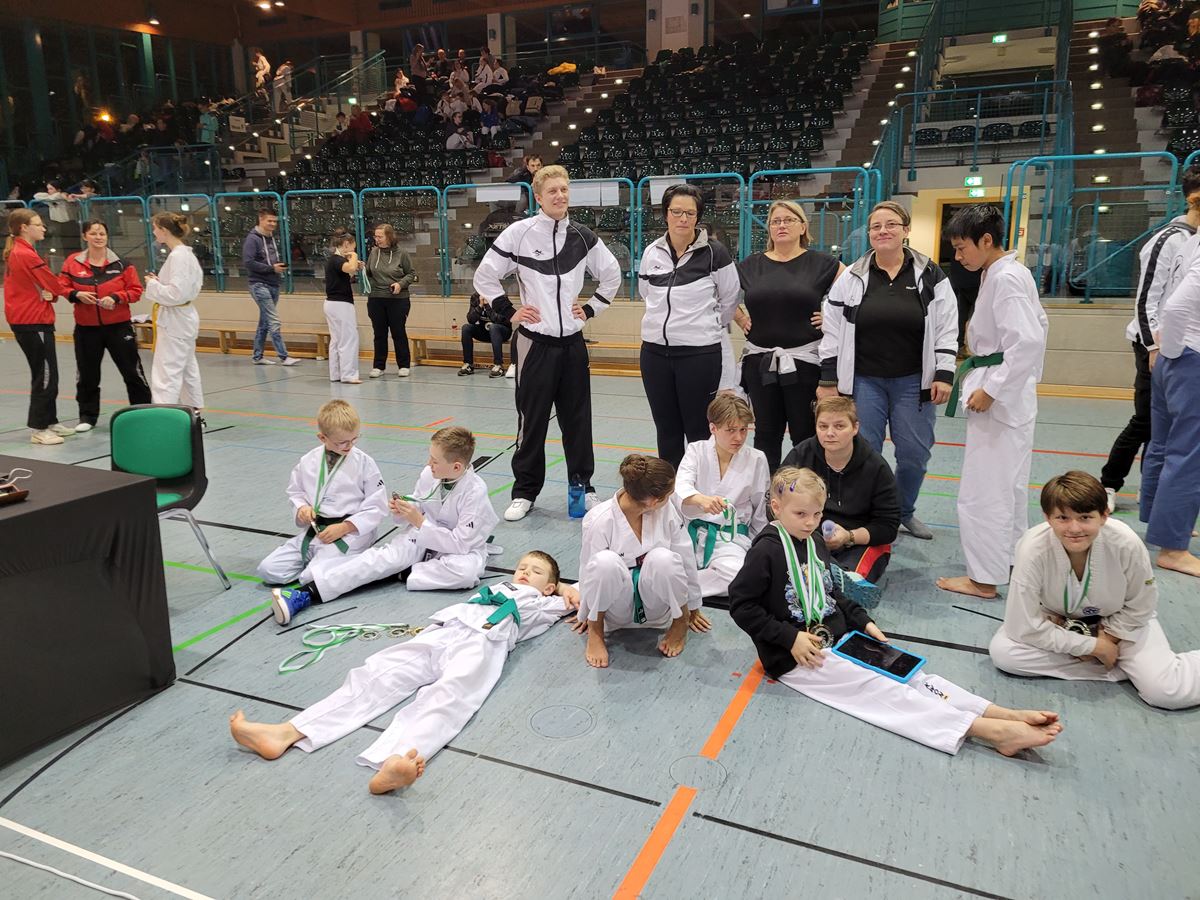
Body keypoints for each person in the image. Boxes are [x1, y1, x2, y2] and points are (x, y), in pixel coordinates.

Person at [729, 467, 1063, 756]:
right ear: (776, 508)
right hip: (796, 655)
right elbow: (742, 606)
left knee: (910, 674)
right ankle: (990, 732)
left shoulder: (813, 540)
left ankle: (995, 712)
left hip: (840, 635)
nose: (810, 522)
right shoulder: (766, 551)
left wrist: (863, 621)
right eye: (801, 514)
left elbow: (831, 591)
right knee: (881, 690)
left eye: (817, 514)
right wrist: (789, 638)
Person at [230, 551, 579, 794]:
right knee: (376, 674)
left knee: (448, 700)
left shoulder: (544, 603)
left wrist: (561, 588)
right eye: (522, 566)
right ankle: (288, 732)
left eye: (536, 571)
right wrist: (545, 580)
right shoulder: (501, 586)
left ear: (548, 586)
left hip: (484, 644)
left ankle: (396, 762)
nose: (525, 572)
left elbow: (582, 592)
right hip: (444, 630)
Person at [472, 164, 622, 522]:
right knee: (532, 421)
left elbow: (612, 274)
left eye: (564, 189)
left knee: (578, 420)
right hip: (534, 345)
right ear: (538, 197)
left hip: (572, 345)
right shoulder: (519, 233)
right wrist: (509, 311)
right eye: (552, 191)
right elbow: (485, 275)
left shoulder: (583, 236)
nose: (560, 196)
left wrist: (590, 308)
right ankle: (525, 492)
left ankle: (582, 486)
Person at [989, 471, 1200, 709]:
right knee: (1004, 654)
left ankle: (1136, 668)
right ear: (1047, 517)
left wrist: (1108, 638)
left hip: (1123, 622)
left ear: (1104, 515)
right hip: (1059, 619)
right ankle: (1130, 668)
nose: (1074, 528)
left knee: (1167, 692)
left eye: (1085, 517)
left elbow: (1142, 603)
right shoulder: (1032, 549)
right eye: (1062, 518)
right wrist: (1091, 647)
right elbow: (1022, 625)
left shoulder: (1125, 543)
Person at [818, 200, 958, 541]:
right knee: (865, 452)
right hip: (864, 381)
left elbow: (947, 325)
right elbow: (832, 330)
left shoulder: (930, 274)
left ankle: (903, 511)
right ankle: (867, 516)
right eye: (876, 226)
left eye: (891, 224)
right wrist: (829, 377)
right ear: (869, 234)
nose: (883, 231)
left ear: (906, 230)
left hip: (914, 383)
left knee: (914, 454)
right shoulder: (852, 277)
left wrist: (944, 372)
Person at [271, 427, 498, 624]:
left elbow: (460, 544)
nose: (429, 464)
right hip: (421, 534)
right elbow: (420, 502)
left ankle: (401, 572)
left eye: (435, 461)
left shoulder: (475, 492)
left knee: (467, 573)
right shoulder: (429, 475)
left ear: (456, 467)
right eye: (430, 457)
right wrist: (404, 509)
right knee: (382, 559)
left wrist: (419, 521)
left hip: (458, 547)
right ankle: (305, 593)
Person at [937, 206, 1048, 599]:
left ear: (986, 240)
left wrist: (994, 388)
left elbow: (1028, 340)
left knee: (984, 491)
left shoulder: (1006, 278)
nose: (958, 256)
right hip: (1010, 394)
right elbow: (1040, 327)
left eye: (962, 247)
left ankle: (983, 579)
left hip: (1000, 394)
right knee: (1009, 487)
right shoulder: (1003, 273)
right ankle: (1012, 561)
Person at [1102, 172, 1200, 512]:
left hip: (1185, 348)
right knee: (1145, 421)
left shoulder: (1196, 242)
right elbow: (1147, 300)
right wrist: (1153, 347)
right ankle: (1108, 484)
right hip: (1155, 344)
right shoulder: (1167, 240)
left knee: (1171, 428)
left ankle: (1154, 493)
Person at [734, 200, 844, 471]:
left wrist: (831, 317)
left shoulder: (822, 263)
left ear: (803, 227)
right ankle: (766, 491)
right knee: (765, 433)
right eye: (775, 221)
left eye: (789, 220)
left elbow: (855, 292)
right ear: (769, 229)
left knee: (804, 433)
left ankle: (806, 490)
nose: (781, 225)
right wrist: (740, 318)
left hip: (805, 364)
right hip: (761, 364)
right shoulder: (751, 265)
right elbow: (721, 293)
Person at [637, 184, 741, 469]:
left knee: (698, 429)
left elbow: (730, 299)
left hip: (699, 356)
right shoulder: (651, 252)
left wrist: (700, 327)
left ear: (698, 217)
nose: (683, 218)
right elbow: (647, 294)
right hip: (654, 355)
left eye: (690, 213)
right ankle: (671, 486)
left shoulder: (715, 253)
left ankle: (701, 485)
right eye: (676, 212)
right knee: (666, 428)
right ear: (665, 214)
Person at [575, 455, 710, 668]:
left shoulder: (666, 510)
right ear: (653, 501)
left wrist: (692, 607)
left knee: (663, 559)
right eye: (669, 495)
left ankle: (680, 622)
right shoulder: (599, 519)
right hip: (615, 610)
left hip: (656, 605)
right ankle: (596, 631)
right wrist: (585, 613)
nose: (671, 498)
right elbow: (587, 570)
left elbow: (685, 557)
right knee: (604, 563)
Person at [256, 400, 388, 607]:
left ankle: (340, 559)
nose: (349, 446)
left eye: (354, 439)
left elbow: (377, 506)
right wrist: (302, 508)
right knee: (268, 570)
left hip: (350, 532)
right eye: (342, 442)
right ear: (322, 438)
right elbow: (295, 491)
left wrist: (344, 527)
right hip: (316, 530)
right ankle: (323, 559)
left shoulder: (364, 463)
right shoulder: (308, 461)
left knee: (310, 578)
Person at [782, 396, 900, 593]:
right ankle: (818, 575)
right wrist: (807, 530)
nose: (830, 433)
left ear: (855, 428)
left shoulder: (876, 467)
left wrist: (848, 536)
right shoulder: (801, 455)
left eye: (839, 426)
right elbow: (777, 502)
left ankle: (833, 580)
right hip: (809, 534)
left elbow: (888, 526)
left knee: (846, 583)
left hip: (858, 540)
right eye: (823, 426)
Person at [1140, 201, 1200, 577]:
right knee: (1189, 455)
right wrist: (1175, 351)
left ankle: (1156, 517)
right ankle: (1173, 547)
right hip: (1188, 358)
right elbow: (1176, 307)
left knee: (1162, 444)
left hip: (1176, 356)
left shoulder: (1192, 241)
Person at [57, 219, 152, 431]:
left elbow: (136, 291)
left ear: (107, 237)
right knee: (87, 375)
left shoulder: (122, 264)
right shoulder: (72, 262)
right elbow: (61, 287)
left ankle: (143, 412)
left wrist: (116, 297)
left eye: (102, 233)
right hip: (86, 329)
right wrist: (76, 294)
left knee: (132, 372)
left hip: (119, 327)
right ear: (85, 236)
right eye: (93, 233)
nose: (98, 237)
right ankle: (87, 417)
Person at [676, 395, 770, 598]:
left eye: (743, 429)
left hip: (731, 538)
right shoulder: (696, 450)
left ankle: (680, 590)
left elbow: (760, 510)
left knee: (739, 577)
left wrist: (759, 547)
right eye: (731, 430)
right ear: (713, 428)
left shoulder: (757, 459)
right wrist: (701, 500)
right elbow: (681, 486)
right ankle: (677, 585)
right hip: (690, 534)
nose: (739, 437)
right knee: (659, 565)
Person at [2, 209, 74, 445]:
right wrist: (71, 291)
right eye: (38, 224)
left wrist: (50, 294)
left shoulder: (21, 251)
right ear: (24, 227)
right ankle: (39, 427)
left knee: (47, 372)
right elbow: (53, 283)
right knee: (45, 375)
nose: (43, 228)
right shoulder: (25, 254)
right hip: (32, 321)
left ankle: (50, 420)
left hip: (32, 319)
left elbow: (44, 288)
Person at [145, 212, 204, 410]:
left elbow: (175, 294)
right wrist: (159, 283)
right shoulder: (184, 255)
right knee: (187, 368)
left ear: (164, 230)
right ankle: (193, 412)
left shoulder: (179, 256)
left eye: (155, 228)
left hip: (175, 321)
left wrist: (153, 284)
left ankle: (164, 416)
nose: (154, 232)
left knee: (167, 372)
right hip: (182, 318)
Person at [242, 208, 296, 366]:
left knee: (265, 322)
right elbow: (248, 262)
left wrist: (276, 269)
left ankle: (257, 356)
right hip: (259, 284)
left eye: (274, 221)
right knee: (273, 320)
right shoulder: (252, 239)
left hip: (273, 283)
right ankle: (284, 356)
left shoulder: (271, 238)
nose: (273, 224)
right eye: (269, 221)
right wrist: (271, 268)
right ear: (261, 219)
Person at [365, 223, 417, 379]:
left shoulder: (402, 253)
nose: (377, 239)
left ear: (389, 236)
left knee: (398, 332)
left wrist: (400, 284)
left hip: (397, 299)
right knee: (379, 333)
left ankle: (404, 365)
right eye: (375, 236)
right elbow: (369, 272)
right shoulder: (374, 252)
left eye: (380, 236)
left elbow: (411, 274)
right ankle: (378, 366)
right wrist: (362, 271)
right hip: (376, 298)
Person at [324, 230, 363, 384]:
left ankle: (336, 373)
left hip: (332, 303)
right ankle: (348, 374)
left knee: (337, 340)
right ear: (346, 244)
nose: (353, 250)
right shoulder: (337, 259)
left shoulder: (334, 261)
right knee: (348, 339)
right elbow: (351, 268)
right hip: (341, 304)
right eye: (353, 247)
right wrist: (354, 256)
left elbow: (348, 272)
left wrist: (355, 265)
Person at [459, 291, 514, 377]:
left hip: (502, 331)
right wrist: (480, 306)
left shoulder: (500, 297)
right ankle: (468, 364)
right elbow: (471, 319)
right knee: (466, 328)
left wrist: (488, 305)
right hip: (485, 331)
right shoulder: (475, 297)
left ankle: (498, 365)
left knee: (494, 327)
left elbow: (500, 320)